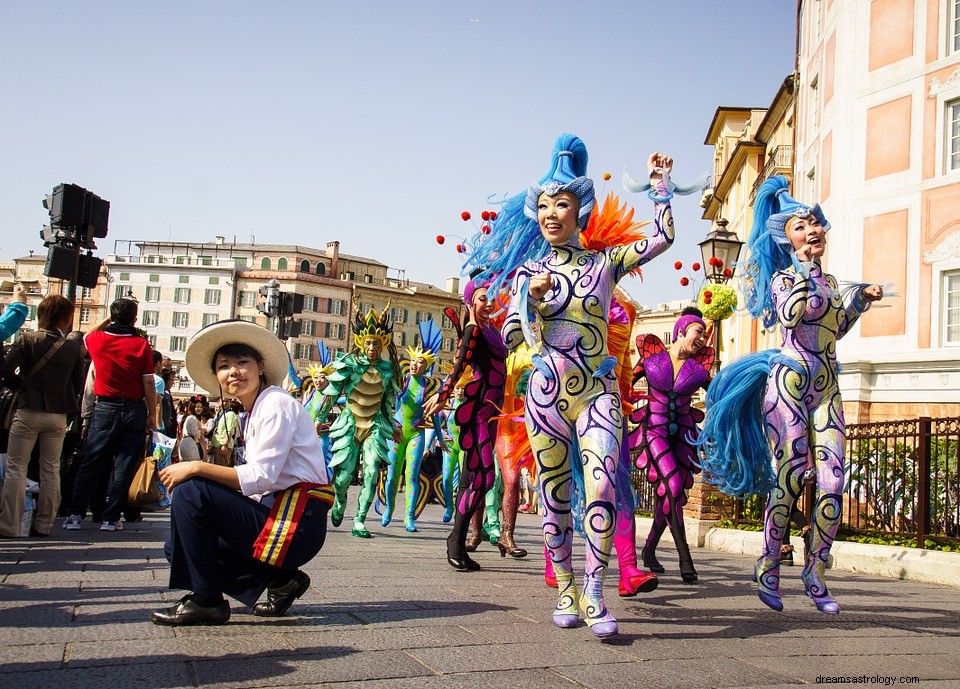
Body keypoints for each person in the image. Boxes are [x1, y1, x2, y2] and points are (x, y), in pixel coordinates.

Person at [490, 134, 676, 638]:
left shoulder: (603, 264)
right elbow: (510, 337)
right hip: (546, 393)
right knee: (552, 493)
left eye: (562, 204)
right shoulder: (526, 273)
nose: (552, 214)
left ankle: (595, 589)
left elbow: (661, 239)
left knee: (599, 486)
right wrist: (528, 301)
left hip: (597, 393)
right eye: (545, 205)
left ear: (581, 210)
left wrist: (660, 185)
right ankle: (567, 584)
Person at [697, 176, 884, 615]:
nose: (813, 230)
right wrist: (802, 271)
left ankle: (815, 570)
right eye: (802, 226)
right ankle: (769, 563)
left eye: (815, 223)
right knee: (791, 475)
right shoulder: (785, 278)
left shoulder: (832, 281)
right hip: (789, 383)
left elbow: (833, 330)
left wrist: (858, 303)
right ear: (787, 238)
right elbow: (789, 314)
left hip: (827, 386)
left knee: (834, 481)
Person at [151, 319, 332, 626]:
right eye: (224, 366)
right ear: (217, 376)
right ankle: (280, 578)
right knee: (179, 546)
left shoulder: (274, 404)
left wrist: (195, 466)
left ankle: (207, 600)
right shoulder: (256, 408)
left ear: (260, 367)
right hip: (276, 516)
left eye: (241, 363)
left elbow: (261, 477)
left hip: (296, 523)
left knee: (191, 491)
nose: (233, 371)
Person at [424, 278, 506, 572]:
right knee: (484, 478)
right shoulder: (473, 331)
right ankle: (456, 538)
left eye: (492, 298)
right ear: (471, 302)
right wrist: (442, 395)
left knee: (476, 479)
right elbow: (458, 366)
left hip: (492, 415)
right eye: (483, 298)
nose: (489, 303)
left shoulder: (492, 330)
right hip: (478, 414)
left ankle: (457, 541)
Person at [631, 307, 713, 583]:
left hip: (684, 435)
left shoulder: (698, 368)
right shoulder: (652, 357)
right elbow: (625, 383)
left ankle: (650, 549)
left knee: (671, 495)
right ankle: (684, 558)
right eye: (698, 332)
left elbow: (719, 396)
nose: (702, 338)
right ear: (681, 330)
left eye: (704, 334)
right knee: (673, 487)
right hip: (654, 432)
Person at [63, 298, 157, 531]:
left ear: (111, 317)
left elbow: (85, 334)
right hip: (134, 408)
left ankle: (75, 515)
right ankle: (110, 518)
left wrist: (109, 320)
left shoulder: (98, 340)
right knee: (124, 465)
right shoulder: (141, 345)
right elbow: (148, 382)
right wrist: (153, 415)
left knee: (92, 462)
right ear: (135, 318)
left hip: (105, 407)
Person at [0, 295, 85, 537]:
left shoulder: (28, 339)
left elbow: (6, 368)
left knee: (17, 468)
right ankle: (44, 524)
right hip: (57, 414)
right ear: (67, 318)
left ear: (41, 316)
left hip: (27, 410)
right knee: (51, 468)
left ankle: (10, 525)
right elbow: (77, 384)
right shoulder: (72, 347)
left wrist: (21, 386)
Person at [318, 306, 401, 538]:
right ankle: (339, 503)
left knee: (372, 471)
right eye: (368, 343)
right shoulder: (349, 364)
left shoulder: (388, 370)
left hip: (374, 425)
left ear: (382, 344)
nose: (372, 348)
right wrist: (319, 418)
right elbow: (332, 394)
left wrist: (394, 427)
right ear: (361, 343)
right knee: (343, 478)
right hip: (350, 424)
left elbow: (386, 404)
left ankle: (359, 520)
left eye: (376, 344)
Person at [381, 319, 445, 532]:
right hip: (398, 432)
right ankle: (389, 508)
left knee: (412, 475)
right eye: (414, 361)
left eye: (421, 362)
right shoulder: (402, 381)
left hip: (416, 433)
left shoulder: (428, 386)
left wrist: (441, 438)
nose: (416, 364)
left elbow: (434, 415)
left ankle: (409, 517)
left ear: (426, 366)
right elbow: (390, 405)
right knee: (392, 475)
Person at [209, 398, 241, 467]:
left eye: (226, 401)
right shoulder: (220, 413)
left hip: (223, 444)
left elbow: (229, 431)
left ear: (230, 402)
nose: (224, 403)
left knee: (221, 469)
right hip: (216, 443)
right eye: (223, 401)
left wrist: (225, 445)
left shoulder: (231, 414)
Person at [178, 397, 207, 463]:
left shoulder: (192, 418)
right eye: (197, 407)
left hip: (189, 442)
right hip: (190, 444)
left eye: (201, 407)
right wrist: (203, 430)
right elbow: (195, 433)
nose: (199, 409)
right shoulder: (192, 418)